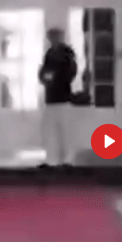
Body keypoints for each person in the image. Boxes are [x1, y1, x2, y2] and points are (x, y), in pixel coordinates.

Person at [38, 28, 77, 168]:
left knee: (66, 131)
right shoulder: (49, 54)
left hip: (64, 98)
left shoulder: (67, 54)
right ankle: (52, 159)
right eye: (51, 37)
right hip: (50, 99)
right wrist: (47, 77)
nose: (52, 39)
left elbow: (69, 73)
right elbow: (43, 73)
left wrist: (53, 77)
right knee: (51, 131)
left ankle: (68, 160)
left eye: (55, 36)